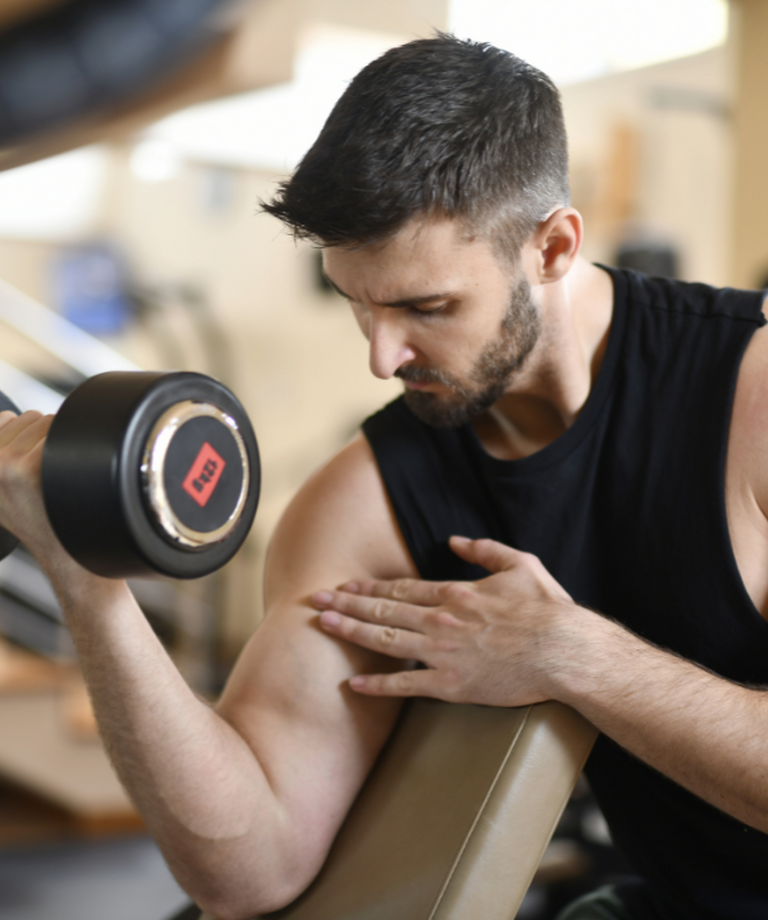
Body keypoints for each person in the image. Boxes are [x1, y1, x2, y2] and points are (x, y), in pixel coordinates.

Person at [1, 32, 767, 920]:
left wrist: (569, 654)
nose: (381, 356)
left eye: (425, 307)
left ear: (553, 247)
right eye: (357, 304)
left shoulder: (751, 403)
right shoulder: (363, 502)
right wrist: (89, 587)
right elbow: (249, 869)